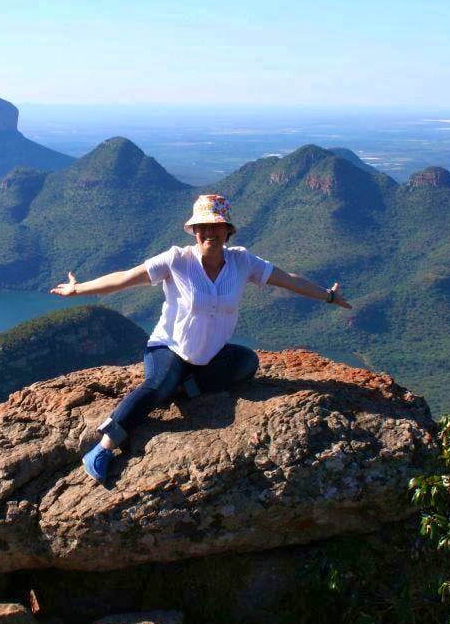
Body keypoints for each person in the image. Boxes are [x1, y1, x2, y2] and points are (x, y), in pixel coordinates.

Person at [50, 194, 351, 483]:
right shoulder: (176, 260)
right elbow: (124, 278)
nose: (210, 232)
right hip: (169, 347)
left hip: (209, 355)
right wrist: (79, 289)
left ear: (227, 230)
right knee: (158, 383)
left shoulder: (242, 262)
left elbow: (288, 280)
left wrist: (328, 296)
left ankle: (181, 389)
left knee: (247, 362)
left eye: (217, 226)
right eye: (203, 226)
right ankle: (103, 448)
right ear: (194, 231)